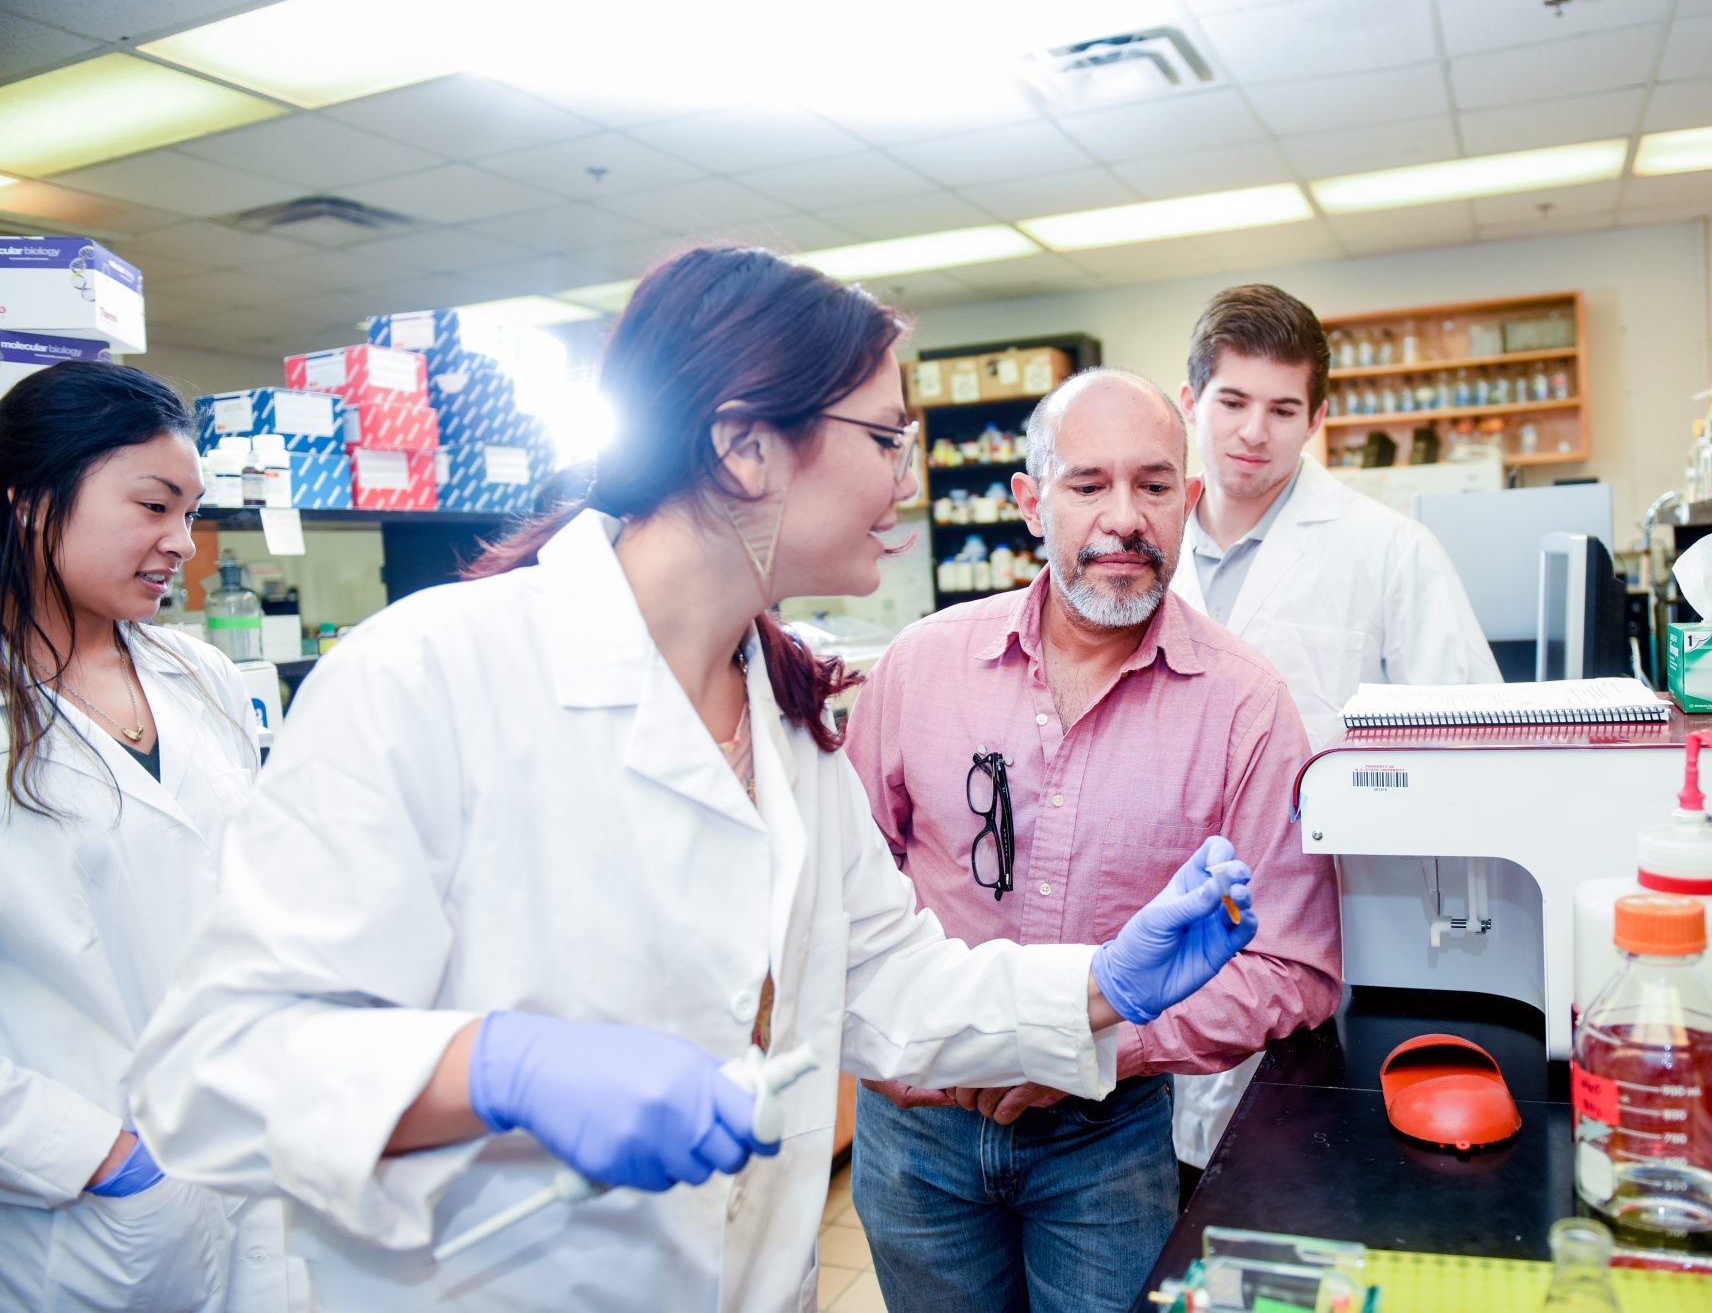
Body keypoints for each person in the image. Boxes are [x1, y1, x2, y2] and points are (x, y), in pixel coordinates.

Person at [130, 246, 1257, 1313]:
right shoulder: (429, 673)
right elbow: (212, 1070)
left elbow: (893, 987)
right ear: (745, 446)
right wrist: (502, 1067)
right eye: (882, 437)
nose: (903, 481)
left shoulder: (786, 726)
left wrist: (1104, 982)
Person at [845, 367, 1342, 1313]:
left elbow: (1295, 962)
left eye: (1155, 486)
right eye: (1088, 485)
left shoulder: (1243, 704)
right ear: (1032, 503)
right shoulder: (921, 666)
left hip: (1104, 1141)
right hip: (916, 1133)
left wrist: (1099, 1045)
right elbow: (848, 891)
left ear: (1189, 504)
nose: (1125, 516)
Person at [1167, 284, 1499, 1178]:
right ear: (1191, 401)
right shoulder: (1140, 550)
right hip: (1151, 930)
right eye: (1232, 402)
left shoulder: (1387, 550)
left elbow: (1471, 736)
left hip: (1324, 934)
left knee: (1290, 1194)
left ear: (1318, 415)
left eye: (1282, 409)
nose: (1252, 432)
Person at [0, 362, 285, 1311]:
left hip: (246, 1164)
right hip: (81, 1211)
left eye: (193, 514)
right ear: (34, 501)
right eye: (154, 506)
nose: (184, 546)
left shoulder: (201, 675)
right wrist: (95, 1156)